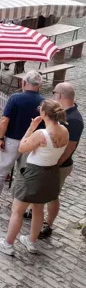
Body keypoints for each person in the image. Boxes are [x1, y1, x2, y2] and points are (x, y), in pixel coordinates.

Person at [0, 99, 68, 255]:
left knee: (17, 210)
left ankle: (8, 244)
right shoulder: (64, 130)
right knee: (38, 209)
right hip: (51, 173)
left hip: (34, 173)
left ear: (44, 113)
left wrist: (31, 127)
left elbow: (22, 147)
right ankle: (31, 242)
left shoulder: (41, 134)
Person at [0, 71, 44, 211]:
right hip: (31, 142)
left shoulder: (15, 98)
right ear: (39, 85)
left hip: (11, 140)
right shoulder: (44, 102)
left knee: (0, 171)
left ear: (24, 83)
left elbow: (4, 120)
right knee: (23, 173)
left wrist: (0, 138)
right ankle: (17, 201)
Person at [39, 83, 83, 238]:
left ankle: (48, 224)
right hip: (50, 162)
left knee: (52, 195)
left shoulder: (74, 120)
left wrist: (54, 165)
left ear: (59, 95)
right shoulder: (62, 113)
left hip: (59, 165)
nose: (53, 96)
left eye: (54, 92)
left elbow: (70, 148)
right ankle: (35, 213)